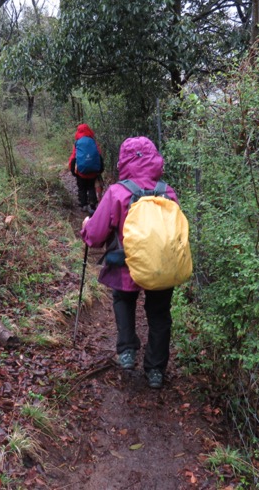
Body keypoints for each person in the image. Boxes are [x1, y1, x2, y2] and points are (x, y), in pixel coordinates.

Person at [80, 136, 177, 389]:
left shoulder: (118, 192)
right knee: (159, 314)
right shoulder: (167, 191)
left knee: (123, 299)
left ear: (124, 160)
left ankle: (127, 351)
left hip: (126, 266)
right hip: (161, 265)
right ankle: (156, 369)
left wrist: (86, 228)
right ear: (155, 159)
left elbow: (96, 235)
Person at [68, 123, 103, 214]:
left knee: (82, 188)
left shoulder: (77, 142)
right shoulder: (93, 141)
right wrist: (100, 169)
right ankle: (93, 204)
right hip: (93, 172)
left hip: (81, 172)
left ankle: (83, 205)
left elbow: (73, 157)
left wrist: (73, 170)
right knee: (91, 187)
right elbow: (99, 155)